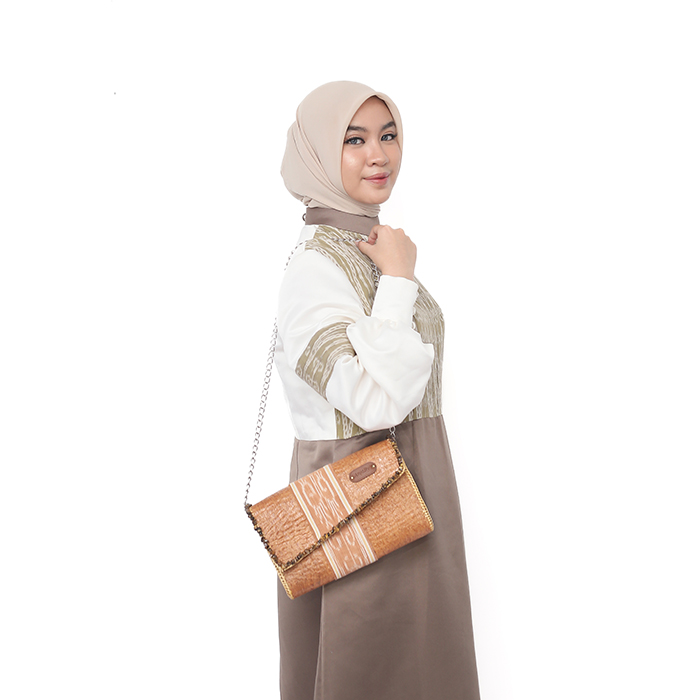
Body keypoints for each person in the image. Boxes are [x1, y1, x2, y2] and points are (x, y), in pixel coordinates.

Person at [275, 81, 480, 700]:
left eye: (387, 136)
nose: (379, 155)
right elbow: (376, 404)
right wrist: (399, 280)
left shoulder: (364, 246)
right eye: (354, 140)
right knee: (368, 669)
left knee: (417, 666)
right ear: (317, 154)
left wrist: (391, 270)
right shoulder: (317, 267)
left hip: (413, 479)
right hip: (358, 492)